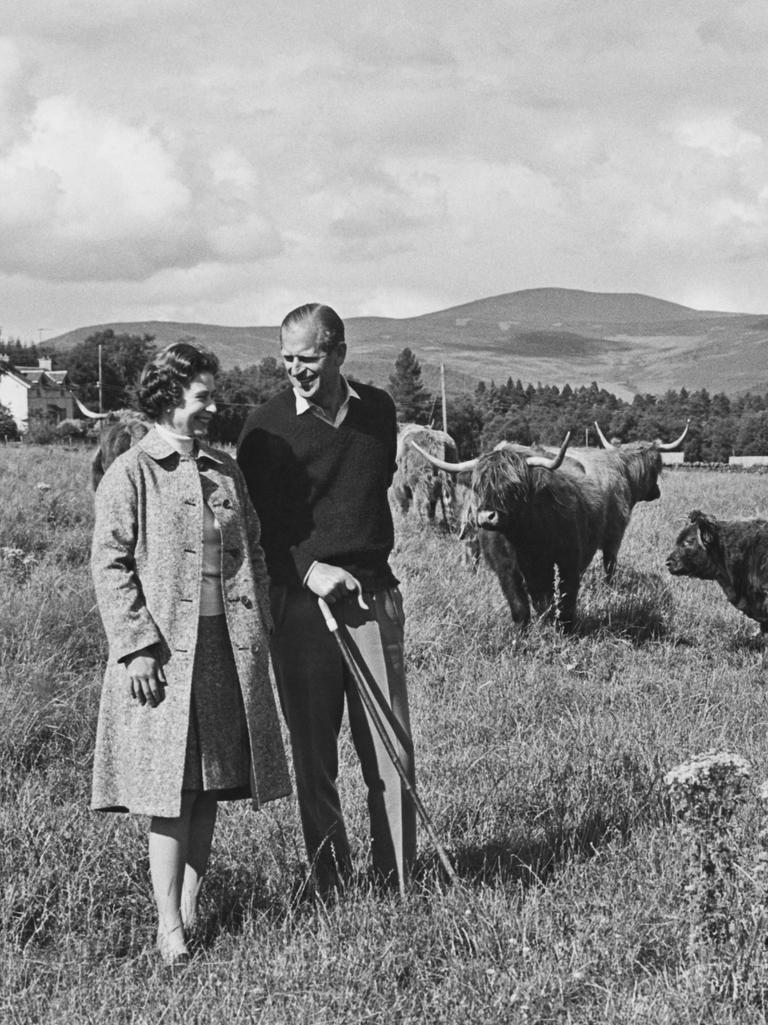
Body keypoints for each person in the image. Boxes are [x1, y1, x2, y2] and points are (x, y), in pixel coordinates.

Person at [90, 342, 290, 967]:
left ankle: (193, 908)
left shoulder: (226, 472)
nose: (211, 407)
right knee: (168, 793)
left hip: (226, 654)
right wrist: (137, 647)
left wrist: (262, 635)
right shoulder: (131, 472)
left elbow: (252, 552)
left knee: (208, 789)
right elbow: (109, 562)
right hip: (163, 662)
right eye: (202, 397)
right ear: (169, 399)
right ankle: (168, 924)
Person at [237, 303, 416, 896]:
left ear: (339, 352)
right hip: (303, 608)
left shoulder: (380, 412)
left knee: (391, 752)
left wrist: (361, 572)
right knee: (315, 756)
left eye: (308, 359)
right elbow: (256, 527)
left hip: (372, 598)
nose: (295, 370)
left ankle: (399, 881)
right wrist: (309, 570)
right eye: (287, 359)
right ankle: (331, 882)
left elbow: (372, 490)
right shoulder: (263, 430)